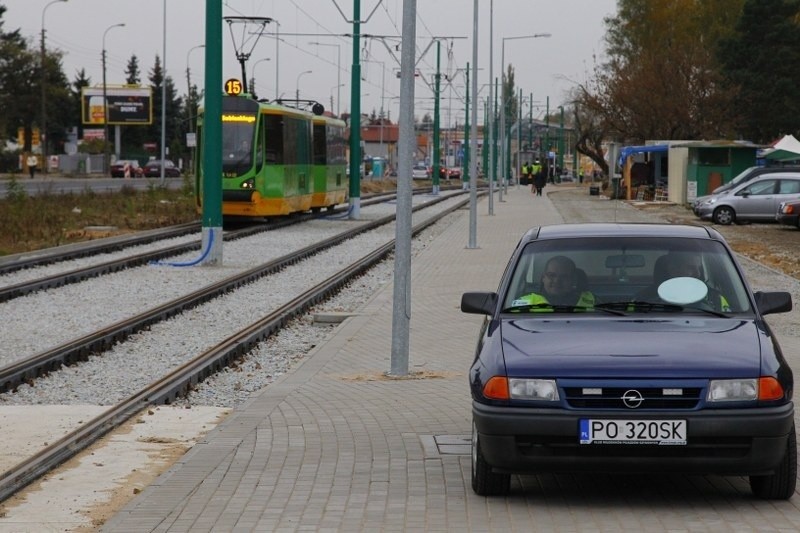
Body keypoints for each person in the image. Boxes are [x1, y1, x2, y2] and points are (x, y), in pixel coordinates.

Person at [637, 252, 731, 312]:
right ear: (673, 269)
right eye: (690, 268)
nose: (697, 274)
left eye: (699, 268)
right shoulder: (643, 299)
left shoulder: (715, 298)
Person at [514, 255, 594, 309]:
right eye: (551, 275)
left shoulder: (592, 301)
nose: (557, 281)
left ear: (573, 280)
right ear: (543, 278)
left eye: (564, 277)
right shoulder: (525, 304)